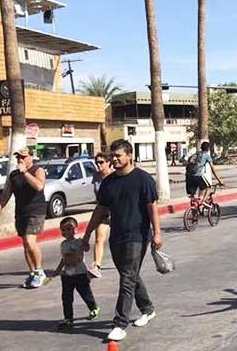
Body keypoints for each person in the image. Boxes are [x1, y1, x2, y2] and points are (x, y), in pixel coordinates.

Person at [82, 139, 163, 342]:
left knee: (127, 277)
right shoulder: (108, 182)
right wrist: (87, 234)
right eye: (113, 156)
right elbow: (100, 210)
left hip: (137, 235)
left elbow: (151, 207)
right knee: (130, 275)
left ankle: (120, 323)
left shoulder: (143, 179)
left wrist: (157, 232)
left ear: (129, 156)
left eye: (119, 155)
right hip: (117, 235)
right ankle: (147, 308)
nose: (115, 159)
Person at [0, 147, 48, 289]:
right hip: (21, 212)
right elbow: (5, 195)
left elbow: (39, 186)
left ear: (31, 158)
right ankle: (33, 273)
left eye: (23, 157)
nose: (20, 160)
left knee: (30, 240)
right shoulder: (13, 175)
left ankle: (40, 271)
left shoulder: (37, 170)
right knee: (25, 244)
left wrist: (25, 172)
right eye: (18, 157)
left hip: (36, 210)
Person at [53, 216, 99, 329]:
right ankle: (68, 318)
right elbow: (64, 259)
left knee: (85, 294)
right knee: (66, 297)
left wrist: (86, 244)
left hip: (80, 273)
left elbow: (86, 248)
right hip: (67, 275)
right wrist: (58, 270)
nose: (66, 232)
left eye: (69, 229)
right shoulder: (63, 244)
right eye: (63, 230)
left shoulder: (79, 241)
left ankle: (93, 308)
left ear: (76, 229)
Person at [89, 151, 115, 278]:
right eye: (96, 163)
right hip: (102, 211)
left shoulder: (115, 176)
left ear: (108, 162)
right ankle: (96, 266)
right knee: (99, 238)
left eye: (101, 162)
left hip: (116, 212)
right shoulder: (96, 176)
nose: (98, 165)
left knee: (117, 240)